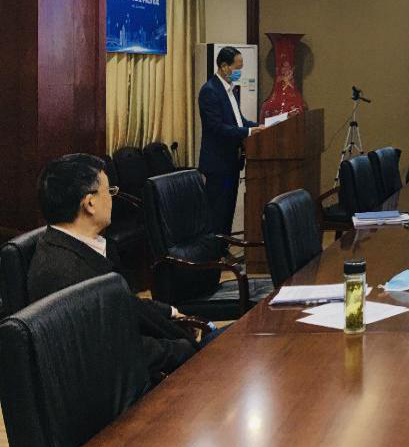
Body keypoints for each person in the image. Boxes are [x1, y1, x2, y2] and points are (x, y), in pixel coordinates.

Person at [27, 154, 198, 382]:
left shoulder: (77, 245)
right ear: (90, 203)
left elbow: (124, 304)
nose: (112, 198)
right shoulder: (65, 274)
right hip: (123, 389)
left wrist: (170, 312)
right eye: (109, 191)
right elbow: (119, 350)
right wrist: (184, 350)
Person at [198, 46, 263, 234]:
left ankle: (224, 246)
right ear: (224, 66)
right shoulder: (210, 91)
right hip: (218, 165)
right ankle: (215, 248)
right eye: (237, 67)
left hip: (232, 163)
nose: (239, 71)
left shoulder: (231, 90)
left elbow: (238, 121)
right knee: (218, 212)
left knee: (227, 211)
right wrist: (249, 131)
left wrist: (259, 127)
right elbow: (217, 128)